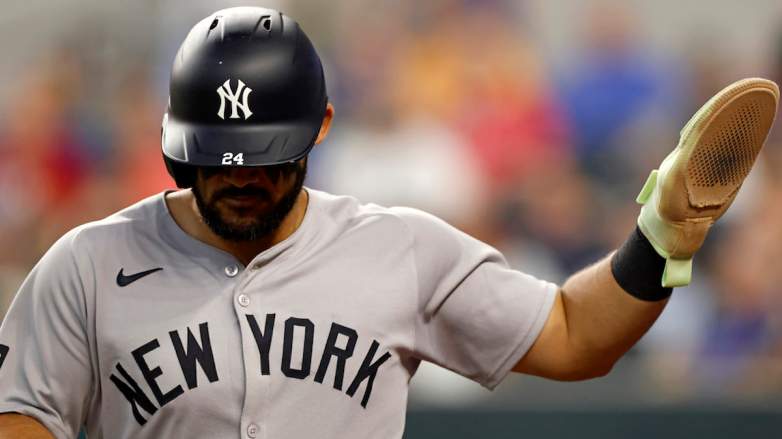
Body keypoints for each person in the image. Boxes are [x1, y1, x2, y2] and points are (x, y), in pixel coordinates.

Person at [0, 7, 777, 439]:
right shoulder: (85, 267)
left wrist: (660, 240)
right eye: (218, 156)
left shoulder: (397, 246)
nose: (242, 178)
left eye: (265, 155)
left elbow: (575, 334)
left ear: (322, 127)